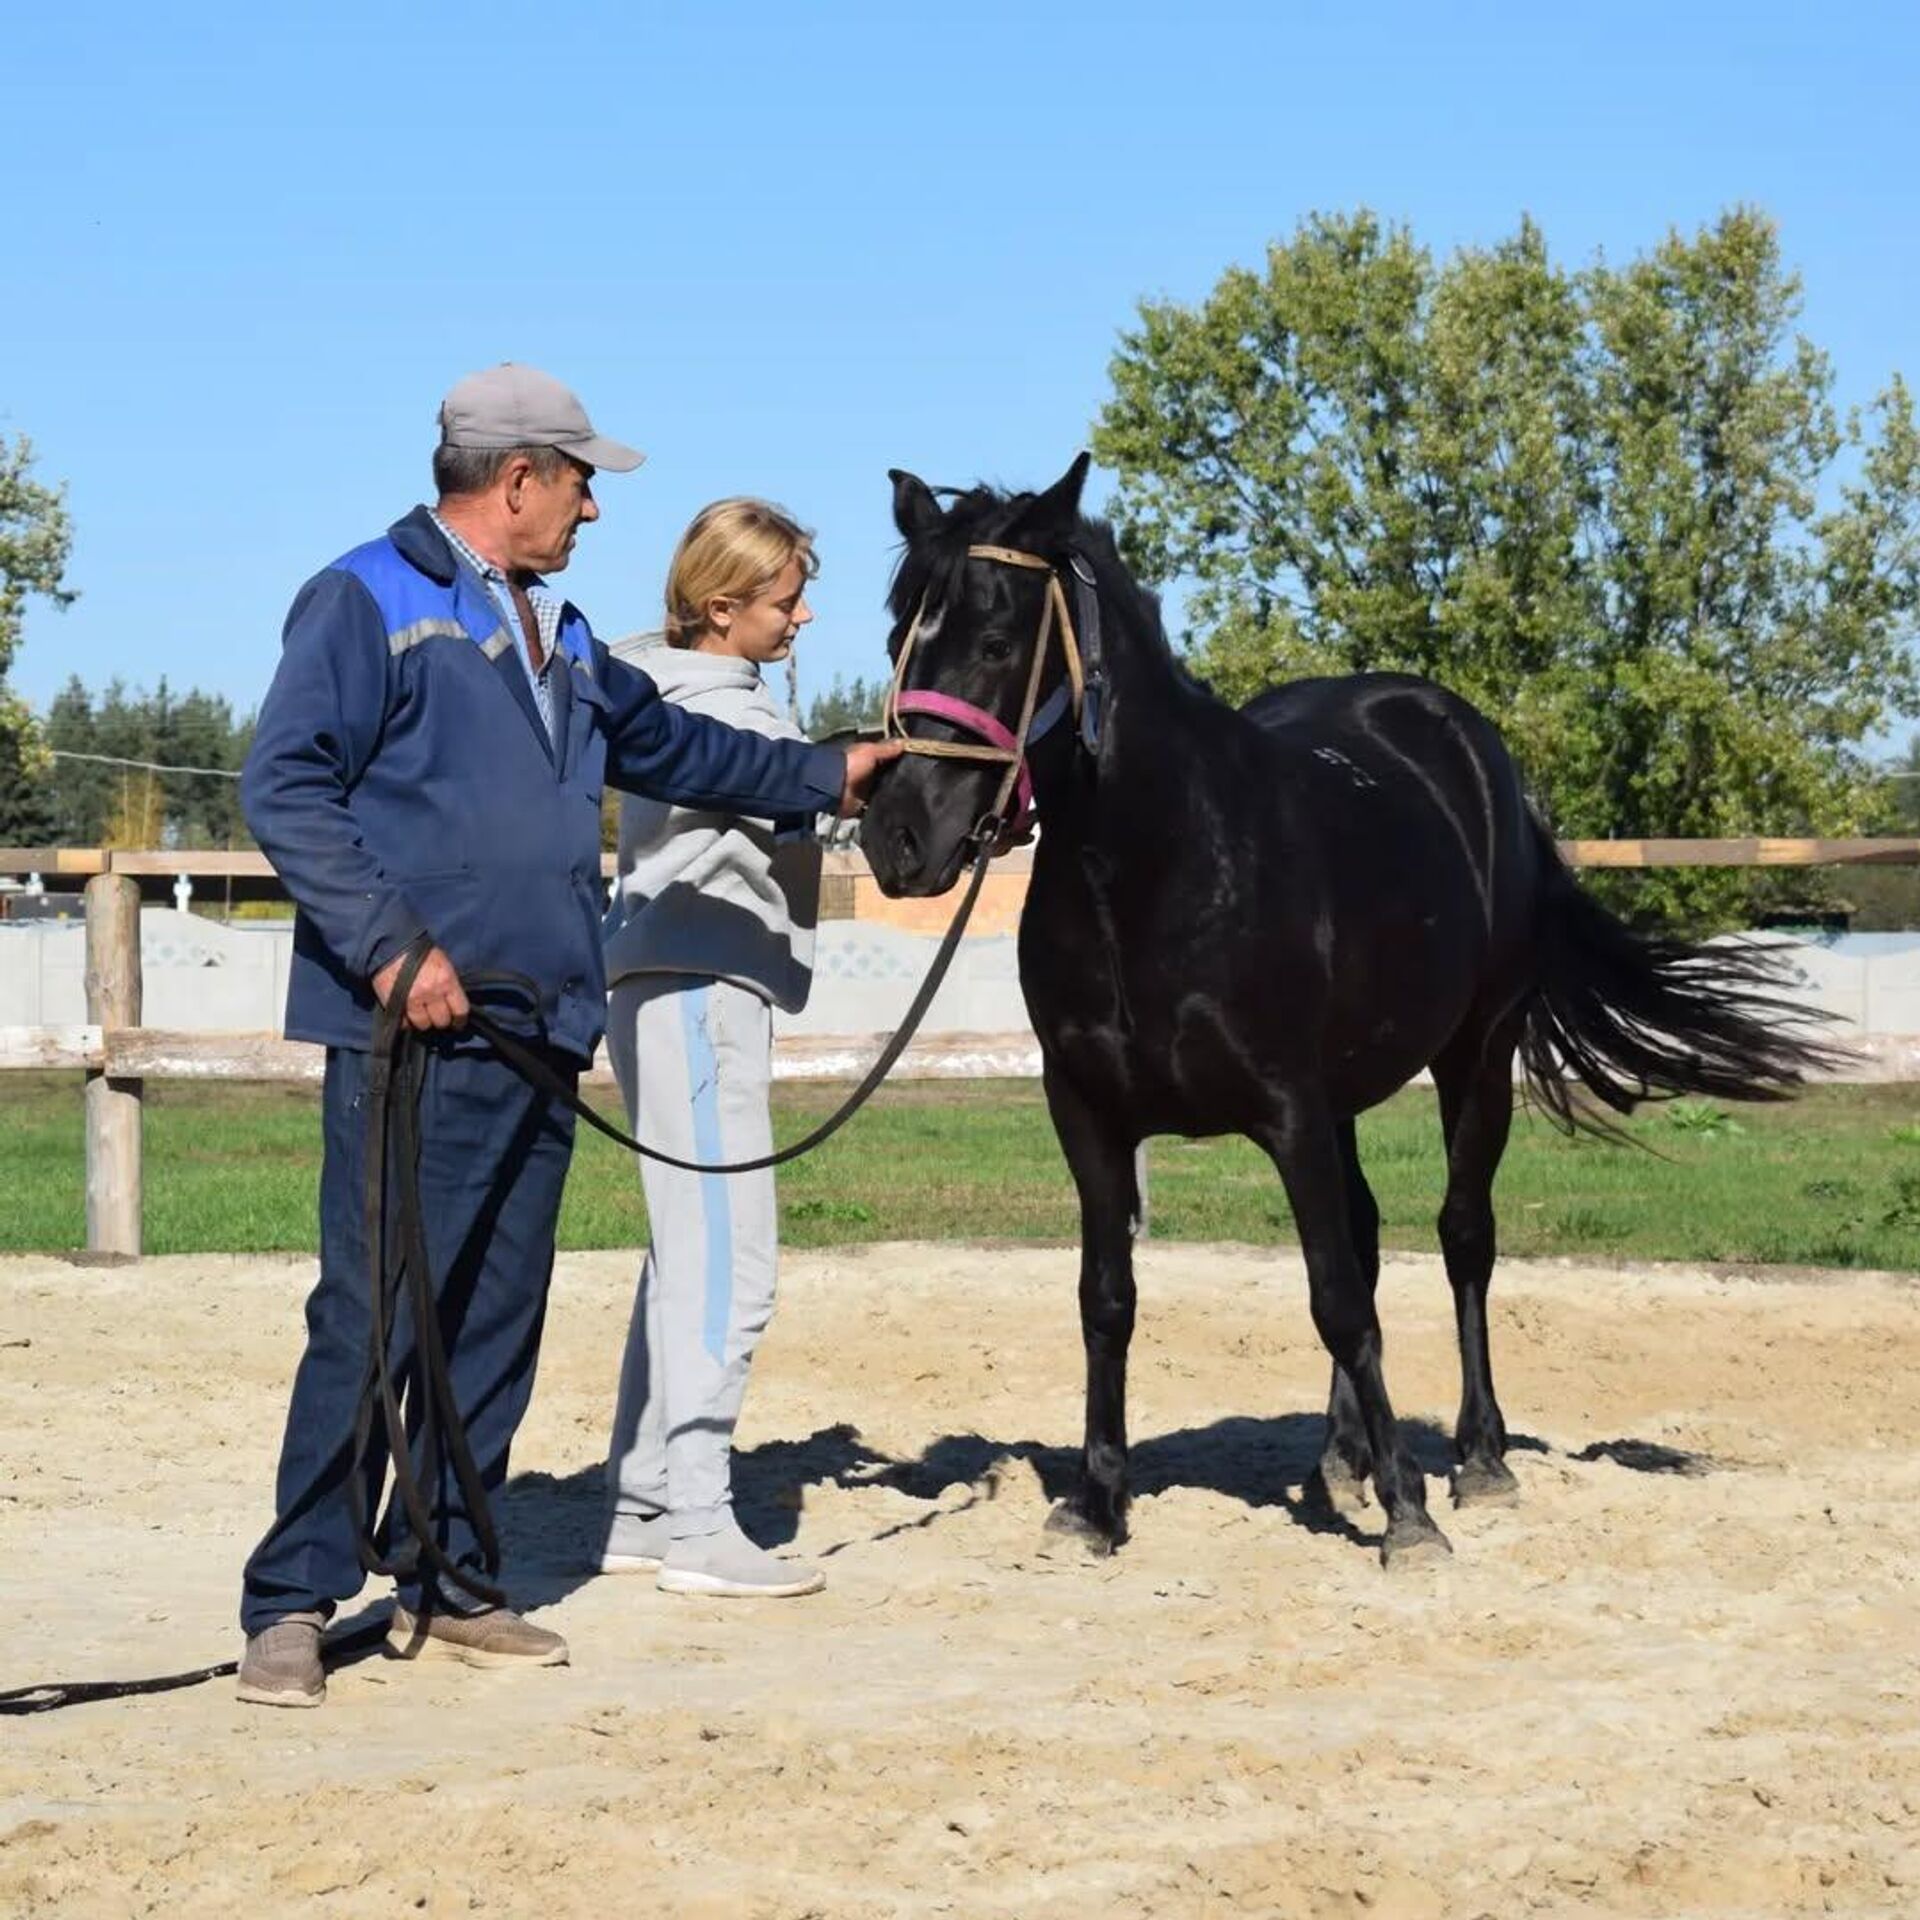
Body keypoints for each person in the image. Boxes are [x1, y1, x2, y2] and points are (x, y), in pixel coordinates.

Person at [234, 368, 898, 1707]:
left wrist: (830, 772)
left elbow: (673, 750)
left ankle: (457, 1582)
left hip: (541, 1019)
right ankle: (293, 1602)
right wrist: (390, 944)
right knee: (370, 1313)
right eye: (583, 480)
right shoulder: (367, 598)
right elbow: (284, 783)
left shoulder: (568, 633)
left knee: (495, 1313)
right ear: (518, 478)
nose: (596, 507)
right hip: (412, 1022)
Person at [598, 500, 832, 1598]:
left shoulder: (694, 694)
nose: (801, 617)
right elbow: (778, 787)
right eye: (785, 600)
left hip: (684, 979)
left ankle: (646, 1501)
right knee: (733, 1265)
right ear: (721, 603)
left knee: (683, 1257)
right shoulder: (697, 709)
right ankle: (696, 1518)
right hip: (696, 985)